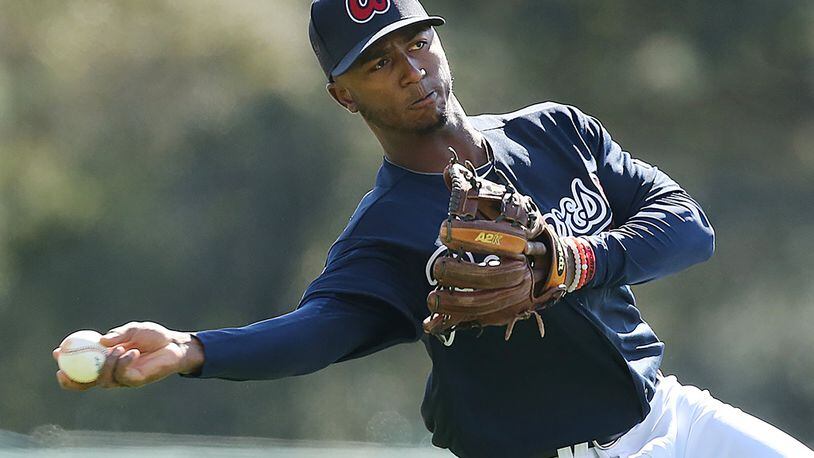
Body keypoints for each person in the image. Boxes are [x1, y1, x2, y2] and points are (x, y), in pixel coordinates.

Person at [53, 1, 813, 457]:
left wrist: (572, 260)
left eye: (415, 40)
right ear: (344, 96)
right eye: (379, 63)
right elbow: (315, 333)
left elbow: (689, 225)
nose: (411, 67)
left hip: (671, 418)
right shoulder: (387, 231)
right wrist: (193, 350)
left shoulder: (554, 131)